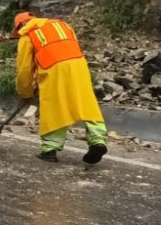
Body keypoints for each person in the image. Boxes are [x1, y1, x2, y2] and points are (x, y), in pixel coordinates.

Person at [13, 12, 108, 164]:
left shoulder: (27, 36)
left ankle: (50, 149)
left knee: (55, 107)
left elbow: (24, 69)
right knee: (86, 103)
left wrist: (25, 92)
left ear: (21, 25)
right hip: (79, 66)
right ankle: (98, 140)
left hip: (53, 69)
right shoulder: (62, 24)